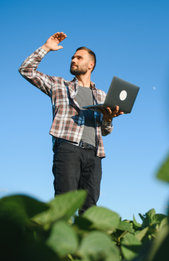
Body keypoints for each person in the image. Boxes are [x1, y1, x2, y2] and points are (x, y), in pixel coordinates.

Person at [19, 32, 123, 214]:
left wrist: (108, 119)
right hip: (68, 148)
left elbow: (106, 131)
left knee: (90, 209)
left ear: (91, 65)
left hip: (94, 154)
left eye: (78, 57)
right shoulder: (58, 85)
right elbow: (26, 70)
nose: (73, 60)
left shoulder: (102, 96)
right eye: (72, 57)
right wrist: (46, 48)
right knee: (64, 204)